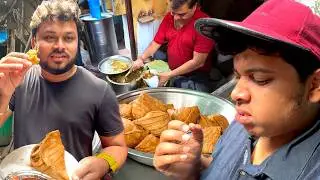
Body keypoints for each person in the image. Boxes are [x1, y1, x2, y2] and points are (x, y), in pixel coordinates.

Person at [153, 0, 320, 179]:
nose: (236, 94)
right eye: (238, 77)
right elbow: (224, 169)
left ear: (314, 85)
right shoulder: (246, 123)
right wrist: (195, 166)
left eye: (259, 79)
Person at [0, 0, 127, 179]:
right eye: (50, 37)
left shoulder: (100, 90)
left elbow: (118, 146)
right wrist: (2, 95)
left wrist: (104, 163)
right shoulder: (18, 80)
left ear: (77, 42)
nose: (60, 46)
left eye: (68, 38)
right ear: (34, 42)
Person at [132, 0, 216, 92]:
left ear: (194, 7)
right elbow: (155, 43)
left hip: (195, 74)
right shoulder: (169, 17)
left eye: (182, 14)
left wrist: (169, 75)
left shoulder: (203, 25)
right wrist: (141, 58)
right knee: (157, 55)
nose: (175, 18)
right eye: (173, 13)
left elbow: (198, 62)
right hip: (172, 68)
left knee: (197, 95)